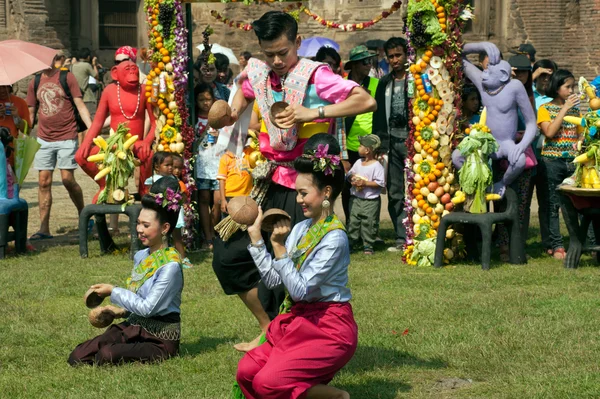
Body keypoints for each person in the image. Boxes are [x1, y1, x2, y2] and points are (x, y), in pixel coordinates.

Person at [216, 10, 375, 325]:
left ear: (298, 42)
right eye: (269, 53)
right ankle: (267, 326)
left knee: (290, 263)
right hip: (267, 181)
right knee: (227, 256)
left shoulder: (317, 76)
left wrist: (313, 113)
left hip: (302, 185)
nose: (276, 60)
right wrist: (228, 114)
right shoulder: (258, 74)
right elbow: (241, 101)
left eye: (282, 52)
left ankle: (285, 335)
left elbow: (365, 100)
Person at [236, 133, 356, 399]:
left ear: (326, 192)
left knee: (267, 382)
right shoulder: (301, 228)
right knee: (247, 372)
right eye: (297, 193)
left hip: (328, 327)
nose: (298, 199)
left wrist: (278, 248)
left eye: (303, 193)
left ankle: (335, 396)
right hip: (299, 320)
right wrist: (257, 239)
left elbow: (300, 291)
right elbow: (275, 281)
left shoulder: (334, 237)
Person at [68, 176, 184, 366]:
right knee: (78, 356)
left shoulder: (170, 266)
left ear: (164, 228)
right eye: (138, 223)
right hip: (135, 325)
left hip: (160, 339)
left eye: (146, 226)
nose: (139, 229)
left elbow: (148, 308)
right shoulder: (141, 256)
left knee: (106, 355)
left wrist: (113, 291)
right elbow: (136, 300)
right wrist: (118, 311)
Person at [26, 55, 93, 241]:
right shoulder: (35, 81)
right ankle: (44, 228)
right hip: (44, 139)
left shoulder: (66, 77)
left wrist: (92, 129)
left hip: (67, 136)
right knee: (43, 182)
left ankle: (84, 215)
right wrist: (23, 131)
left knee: (67, 180)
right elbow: (31, 112)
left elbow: (80, 105)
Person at [538, 69, 583, 260]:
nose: (572, 90)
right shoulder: (545, 109)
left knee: (579, 204)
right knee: (552, 205)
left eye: (572, 86)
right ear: (557, 88)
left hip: (572, 162)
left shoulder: (576, 110)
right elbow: (549, 132)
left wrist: (580, 140)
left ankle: (583, 242)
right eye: (568, 87)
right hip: (552, 162)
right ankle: (557, 245)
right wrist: (564, 109)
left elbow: (581, 132)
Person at [373, 37, 409, 252]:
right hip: (391, 142)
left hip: (413, 141)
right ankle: (400, 236)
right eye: (391, 56)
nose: (395, 60)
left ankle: (420, 232)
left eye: (398, 55)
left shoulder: (416, 79)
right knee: (395, 191)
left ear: (406, 55)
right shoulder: (384, 82)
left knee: (418, 189)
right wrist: (379, 144)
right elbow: (377, 116)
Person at [341, 45, 379, 221]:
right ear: (354, 64)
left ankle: (370, 229)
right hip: (347, 146)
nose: (369, 65)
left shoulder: (377, 84)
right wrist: (342, 156)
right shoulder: (342, 85)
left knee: (370, 188)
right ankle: (351, 223)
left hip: (370, 146)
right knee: (348, 188)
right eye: (365, 62)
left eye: (370, 61)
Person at [530, 59, 558, 254]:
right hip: (527, 153)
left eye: (550, 76)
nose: (546, 80)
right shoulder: (528, 94)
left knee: (547, 201)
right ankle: (516, 240)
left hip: (548, 155)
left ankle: (549, 241)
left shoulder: (556, 100)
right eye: (542, 76)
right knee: (521, 201)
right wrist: (533, 74)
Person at [346, 134, 385, 255]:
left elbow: (380, 183)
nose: (358, 148)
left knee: (369, 222)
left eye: (360, 146)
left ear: (367, 150)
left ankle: (368, 245)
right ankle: (351, 242)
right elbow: (349, 174)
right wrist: (352, 178)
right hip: (356, 199)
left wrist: (365, 183)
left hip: (370, 202)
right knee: (353, 221)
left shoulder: (377, 166)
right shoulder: (358, 162)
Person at [194, 83, 222, 249]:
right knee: (203, 200)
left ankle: (216, 232)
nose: (205, 103)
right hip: (202, 163)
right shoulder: (193, 117)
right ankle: (208, 237)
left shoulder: (220, 116)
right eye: (201, 99)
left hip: (218, 162)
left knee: (218, 201)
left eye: (208, 99)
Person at [0, 85, 30, 166]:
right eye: (0, 87)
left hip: (12, 153)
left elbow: (27, 130)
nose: (2, 90)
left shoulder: (20, 103)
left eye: (5, 87)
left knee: (11, 178)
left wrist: (16, 117)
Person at [70, 48, 100, 124]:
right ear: (88, 57)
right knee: (91, 119)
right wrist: (94, 64)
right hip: (87, 97)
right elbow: (96, 76)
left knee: (80, 122)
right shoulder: (86, 65)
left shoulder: (72, 66)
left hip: (76, 97)